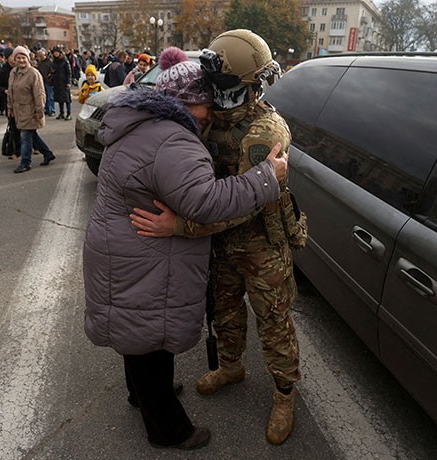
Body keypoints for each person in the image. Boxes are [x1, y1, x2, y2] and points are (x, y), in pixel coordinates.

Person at [82, 50, 287, 451]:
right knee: (149, 339)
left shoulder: (140, 124)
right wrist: (267, 177)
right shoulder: (174, 141)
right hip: (142, 258)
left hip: (122, 249)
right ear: (185, 102)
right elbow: (207, 202)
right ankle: (169, 430)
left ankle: (139, 395)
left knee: (137, 336)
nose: (210, 111)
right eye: (204, 102)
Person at [129, 31, 304, 445]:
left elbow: (243, 206)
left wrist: (180, 227)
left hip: (261, 244)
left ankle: (285, 393)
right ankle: (231, 365)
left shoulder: (264, 132)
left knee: (274, 321)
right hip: (222, 243)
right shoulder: (211, 119)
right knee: (224, 310)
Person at [6, 46, 55, 173]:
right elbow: (10, 92)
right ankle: (48, 153)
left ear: (28, 59)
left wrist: (40, 111)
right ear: (14, 59)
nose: (21, 60)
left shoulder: (33, 73)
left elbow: (40, 94)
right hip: (18, 111)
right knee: (31, 135)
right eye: (18, 58)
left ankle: (25, 162)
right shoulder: (13, 73)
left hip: (30, 111)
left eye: (23, 58)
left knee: (25, 137)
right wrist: (10, 108)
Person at [50, 47, 72, 120]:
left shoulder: (65, 61)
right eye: (54, 52)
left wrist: (68, 82)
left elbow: (69, 72)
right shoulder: (54, 62)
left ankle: (69, 113)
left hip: (64, 82)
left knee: (67, 99)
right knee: (60, 99)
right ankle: (61, 113)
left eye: (57, 52)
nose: (56, 54)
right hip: (57, 82)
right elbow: (52, 71)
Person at [36, 49, 55, 116]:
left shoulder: (50, 62)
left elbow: (53, 71)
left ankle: (52, 110)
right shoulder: (40, 63)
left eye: (41, 56)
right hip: (42, 81)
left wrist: (50, 77)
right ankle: (47, 109)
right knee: (44, 96)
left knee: (50, 96)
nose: (40, 57)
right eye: (39, 56)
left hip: (49, 81)